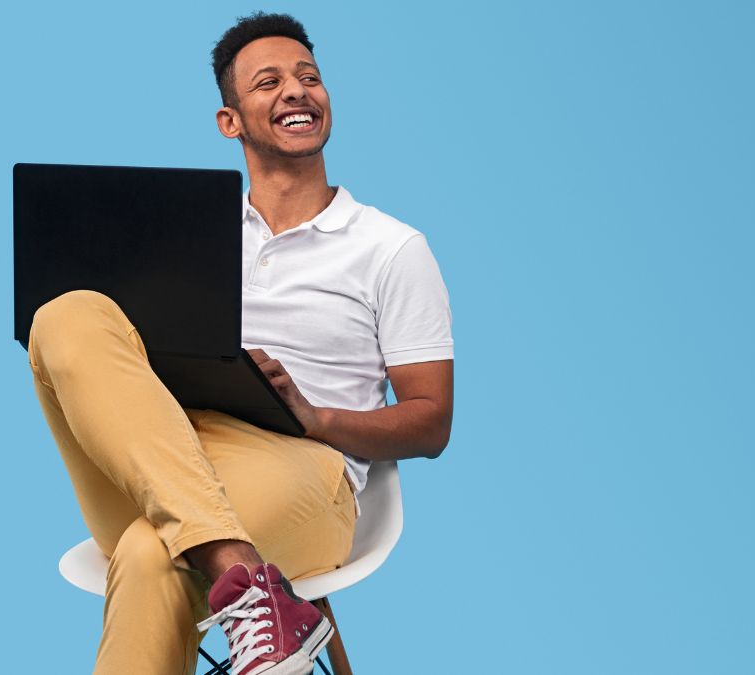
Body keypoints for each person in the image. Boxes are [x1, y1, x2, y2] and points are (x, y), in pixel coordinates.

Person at [26, 12, 454, 675]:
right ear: (230, 121)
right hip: (170, 452)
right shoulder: (187, 235)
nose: (296, 90)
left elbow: (431, 421)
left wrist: (319, 417)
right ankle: (251, 587)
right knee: (63, 313)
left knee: (150, 551)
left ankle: (242, 581)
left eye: (309, 77)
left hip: (305, 466)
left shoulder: (389, 247)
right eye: (270, 81)